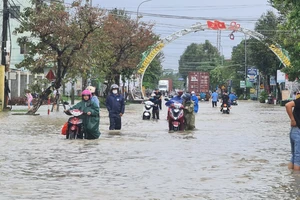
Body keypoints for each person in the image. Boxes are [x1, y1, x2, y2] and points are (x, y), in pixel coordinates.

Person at [285, 92, 300, 170]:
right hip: (298, 132)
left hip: (293, 131)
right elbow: (288, 105)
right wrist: (292, 119)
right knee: (298, 158)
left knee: (294, 156)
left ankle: (291, 176)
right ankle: (296, 179)